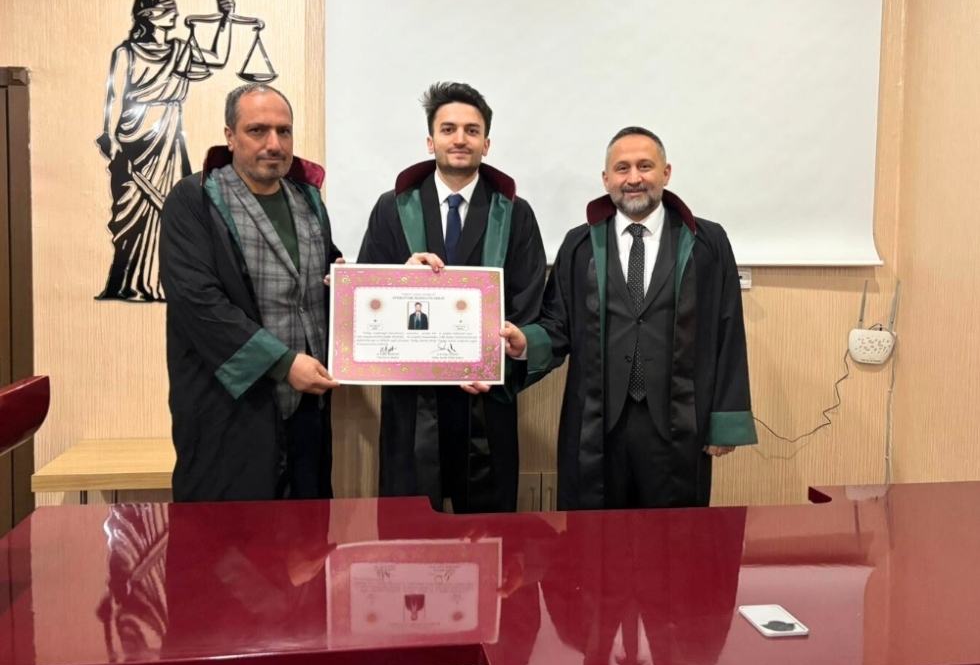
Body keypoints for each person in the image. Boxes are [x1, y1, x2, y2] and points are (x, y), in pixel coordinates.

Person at [503, 127, 756, 509]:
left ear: (666, 173)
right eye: (622, 168)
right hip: (598, 424)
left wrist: (725, 421)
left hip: (678, 421)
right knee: (595, 533)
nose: (634, 178)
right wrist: (527, 342)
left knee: (674, 534)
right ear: (606, 179)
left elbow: (728, 328)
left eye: (645, 166)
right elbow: (558, 323)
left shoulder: (706, 242)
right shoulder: (580, 244)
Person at [358, 82, 546, 513]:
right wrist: (398, 281)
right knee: (409, 532)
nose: (460, 139)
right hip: (412, 402)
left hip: (484, 400)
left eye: (471, 130)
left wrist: (499, 362)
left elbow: (529, 301)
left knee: (486, 534)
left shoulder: (515, 214)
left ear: (486, 143)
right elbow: (367, 302)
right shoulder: (392, 208)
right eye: (448, 129)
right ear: (431, 141)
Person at [160, 85, 343, 502]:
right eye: (257, 130)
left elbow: (329, 272)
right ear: (230, 136)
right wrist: (282, 362)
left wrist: (397, 281)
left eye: (284, 131)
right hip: (231, 411)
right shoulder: (196, 200)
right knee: (233, 537)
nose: (274, 144)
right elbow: (197, 302)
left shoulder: (307, 200)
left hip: (307, 410)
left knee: (307, 531)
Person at [96, 0, 235, 302]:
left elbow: (217, 58)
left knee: (173, 211)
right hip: (135, 138)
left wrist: (225, 19)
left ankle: (165, 283)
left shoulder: (180, 50)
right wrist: (110, 138)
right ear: (148, 16)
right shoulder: (126, 53)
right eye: (166, 8)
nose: (173, 13)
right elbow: (115, 96)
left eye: (173, 7)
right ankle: (130, 283)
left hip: (169, 138)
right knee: (132, 211)